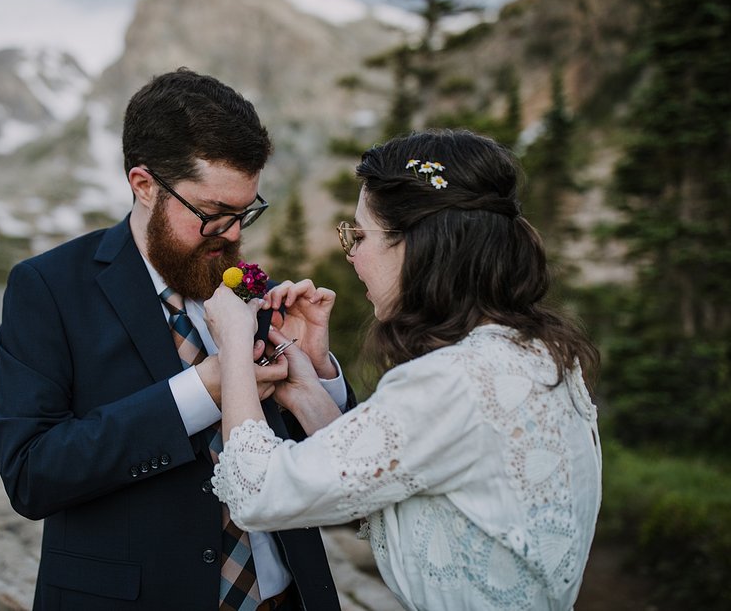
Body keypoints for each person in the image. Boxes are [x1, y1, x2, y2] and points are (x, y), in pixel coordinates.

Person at [0, 68, 354, 610]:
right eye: (212, 213)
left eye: (245, 212)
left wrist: (319, 375)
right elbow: (31, 473)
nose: (231, 235)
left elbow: (333, 464)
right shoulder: (49, 289)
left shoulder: (255, 290)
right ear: (144, 185)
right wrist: (204, 391)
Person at [205, 129, 603, 611]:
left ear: (415, 244)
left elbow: (258, 491)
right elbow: (400, 481)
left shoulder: (453, 381)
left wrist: (231, 345)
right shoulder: (537, 355)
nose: (349, 253)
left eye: (360, 234)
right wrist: (306, 390)